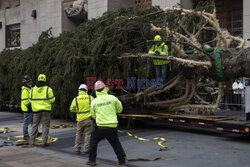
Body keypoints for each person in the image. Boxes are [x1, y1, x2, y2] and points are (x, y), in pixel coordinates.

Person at [86, 81, 126, 167]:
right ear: (105, 88)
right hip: (112, 126)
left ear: (96, 90)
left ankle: (92, 160)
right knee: (116, 144)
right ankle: (122, 162)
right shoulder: (113, 98)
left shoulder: (94, 101)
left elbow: (93, 115)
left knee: (93, 142)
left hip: (100, 127)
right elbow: (119, 110)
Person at [29, 74, 55, 147]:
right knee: (45, 126)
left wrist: (36, 105)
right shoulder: (48, 89)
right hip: (46, 110)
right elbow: (52, 100)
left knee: (34, 125)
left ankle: (31, 142)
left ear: (38, 80)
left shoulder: (33, 89)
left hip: (36, 110)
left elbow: (30, 99)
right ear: (45, 80)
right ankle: (44, 142)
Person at [70, 84, 94, 155]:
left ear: (79, 90)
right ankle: (86, 150)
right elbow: (94, 106)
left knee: (79, 134)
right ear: (86, 90)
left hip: (80, 119)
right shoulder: (90, 98)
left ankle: (77, 149)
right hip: (88, 119)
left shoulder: (76, 99)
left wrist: (78, 111)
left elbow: (71, 109)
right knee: (88, 134)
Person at [21, 75, 33, 140]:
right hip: (27, 108)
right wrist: (30, 106)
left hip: (30, 108)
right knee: (26, 122)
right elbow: (25, 101)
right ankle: (25, 135)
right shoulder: (25, 90)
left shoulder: (28, 88)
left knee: (32, 121)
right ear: (27, 82)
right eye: (29, 81)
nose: (30, 82)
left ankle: (35, 132)